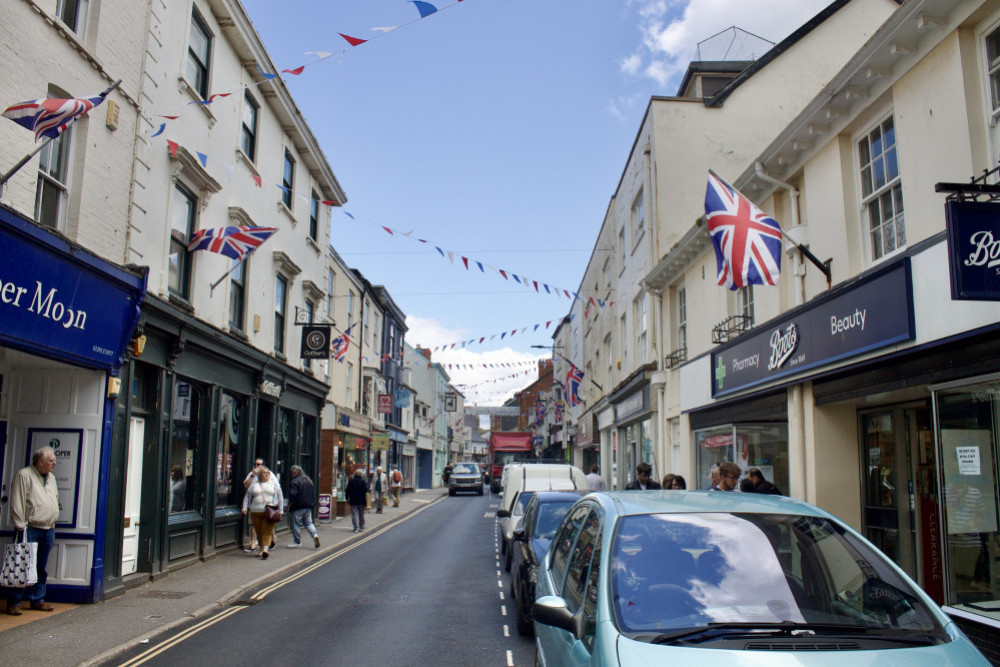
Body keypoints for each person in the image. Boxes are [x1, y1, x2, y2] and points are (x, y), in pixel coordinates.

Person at [5, 446, 59, 616]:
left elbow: (54, 499)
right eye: (51, 461)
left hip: (47, 528)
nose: (54, 463)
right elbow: (17, 501)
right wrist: (20, 525)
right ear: (40, 461)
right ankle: (14, 602)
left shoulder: (51, 478)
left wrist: (52, 522)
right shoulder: (24, 475)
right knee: (22, 564)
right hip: (29, 528)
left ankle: (37, 599)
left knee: (40, 567)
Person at [242, 467, 283, 560]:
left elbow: (280, 497)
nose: (267, 474)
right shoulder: (254, 485)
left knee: (267, 531)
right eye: (264, 473)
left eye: (268, 473)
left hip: (269, 511)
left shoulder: (274, 485)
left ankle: (265, 550)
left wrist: (280, 511)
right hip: (255, 511)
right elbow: (247, 496)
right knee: (259, 531)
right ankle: (261, 549)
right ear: (260, 474)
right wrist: (244, 507)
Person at [288, 465, 320, 548]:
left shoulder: (294, 482)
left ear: (295, 472)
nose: (291, 475)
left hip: (298, 506)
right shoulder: (308, 480)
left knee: (296, 524)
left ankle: (297, 542)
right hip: (308, 506)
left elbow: (293, 495)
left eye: (292, 473)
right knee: (308, 523)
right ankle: (315, 535)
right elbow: (313, 493)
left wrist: (289, 505)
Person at [242, 458, 265, 553]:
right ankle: (253, 546)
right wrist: (253, 475)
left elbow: (276, 490)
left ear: (263, 466)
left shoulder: (268, 474)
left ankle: (264, 547)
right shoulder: (252, 475)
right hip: (253, 506)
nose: (256, 466)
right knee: (252, 525)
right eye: (255, 464)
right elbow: (246, 487)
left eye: (258, 464)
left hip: (265, 506)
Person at [346, 468, 369, 532]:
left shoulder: (351, 481)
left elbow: (347, 490)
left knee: (354, 513)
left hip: (353, 500)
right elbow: (366, 490)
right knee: (361, 513)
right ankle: (361, 526)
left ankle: (356, 527)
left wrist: (346, 498)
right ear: (361, 474)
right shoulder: (363, 481)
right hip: (361, 500)